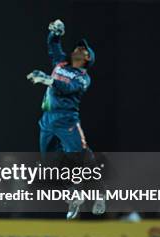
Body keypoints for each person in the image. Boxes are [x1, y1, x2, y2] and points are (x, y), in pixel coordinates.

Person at [26, 19, 104, 220]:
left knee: (80, 156)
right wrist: (56, 32)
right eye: (77, 47)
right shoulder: (61, 62)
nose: (77, 50)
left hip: (67, 120)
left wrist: (48, 80)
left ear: (87, 59)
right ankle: (73, 195)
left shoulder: (83, 77)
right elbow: (53, 46)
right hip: (47, 120)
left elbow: (68, 88)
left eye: (82, 50)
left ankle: (98, 192)